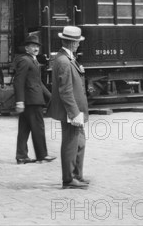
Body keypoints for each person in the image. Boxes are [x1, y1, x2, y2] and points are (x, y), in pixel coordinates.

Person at [48, 26, 89, 189]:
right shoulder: (64, 61)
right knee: (71, 144)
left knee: (79, 143)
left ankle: (77, 175)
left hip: (75, 110)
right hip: (71, 111)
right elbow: (65, 91)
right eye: (77, 42)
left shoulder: (67, 58)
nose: (78, 45)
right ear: (72, 43)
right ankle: (69, 178)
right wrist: (74, 113)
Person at [14, 35, 55, 165]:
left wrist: (50, 97)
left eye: (37, 46)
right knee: (38, 128)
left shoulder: (32, 61)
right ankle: (42, 155)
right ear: (27, 48)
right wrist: (19, 101)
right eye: (33, 46)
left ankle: (21, 156)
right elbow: (18, 81)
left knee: (24, 129)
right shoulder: (26, 61)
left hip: (30, 100)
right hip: (32, 100)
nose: (36, 48)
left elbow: (38, 82)